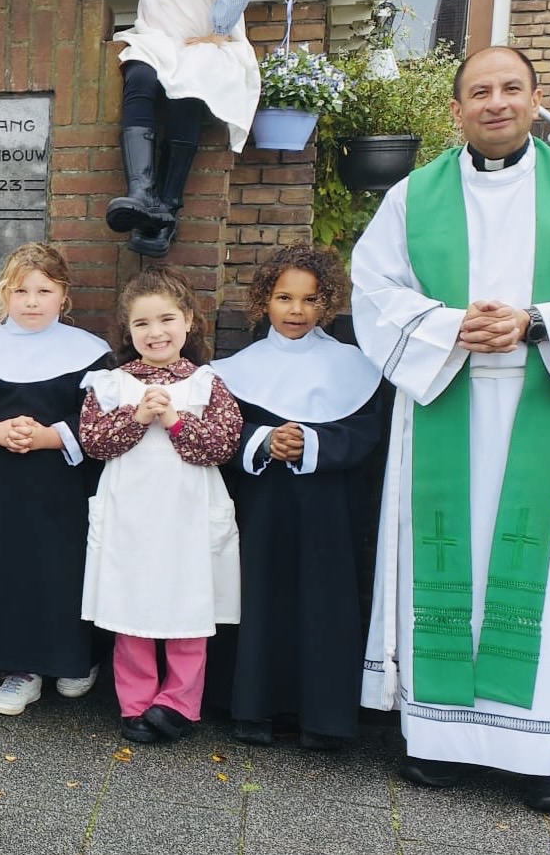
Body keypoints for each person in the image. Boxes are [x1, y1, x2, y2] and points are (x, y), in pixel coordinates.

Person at [352, 46, 550, 813]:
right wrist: (450, 326)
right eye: (479, 91)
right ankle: (440, 740)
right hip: (444, 401)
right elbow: (375, 289)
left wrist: (535, 324)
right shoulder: (413, 197)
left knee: (545, 575)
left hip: (547, 401)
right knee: (444, 569)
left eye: (510, 89)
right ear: (455, 109)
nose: (495, 102)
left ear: (535, 98)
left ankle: (537, 751)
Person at [208, 244, 384, 749]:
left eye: (310, 300)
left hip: (329, 510)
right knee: (257, 596)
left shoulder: (356, 367)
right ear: (265, 301)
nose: (296, 311)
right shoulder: (236, 369)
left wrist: (315, 442)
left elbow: (368, 433)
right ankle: (252, 707)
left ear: (327, 304)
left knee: (324, 603)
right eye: (284, 298)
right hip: (262, 506)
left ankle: (323, 716)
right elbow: (223, 433)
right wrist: (264, 441)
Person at [53, 0, 263, 257]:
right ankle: (141, 193)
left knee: (186, 93)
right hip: (160, 40)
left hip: (203, 42)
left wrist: (218, 30)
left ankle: (166, 207)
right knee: (139, 76)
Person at [0, 243, 113, 715]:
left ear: (63, 295)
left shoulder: (91, 353)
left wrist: (49, 437)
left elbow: (102, 416)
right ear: (4, 295)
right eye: (21, 291)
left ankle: (76, 659)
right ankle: (20, 670)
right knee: (5, 568)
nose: (32, 301)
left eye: (44, 290)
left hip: (65, 488)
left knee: (65, 567)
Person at [78, 266, 242, 744]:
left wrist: (171, 420)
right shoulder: (110, 385)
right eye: (142, 324)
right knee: (131, 603)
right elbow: (95, 442)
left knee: (188, 604)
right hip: (131, 510)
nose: (156, 332)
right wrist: (136, 416)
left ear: (188, 322)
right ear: (128, 331)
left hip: (187, 511)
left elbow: (221, 446)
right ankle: (136, 701)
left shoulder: (209, 384)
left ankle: (178, 703)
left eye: (166, 319)